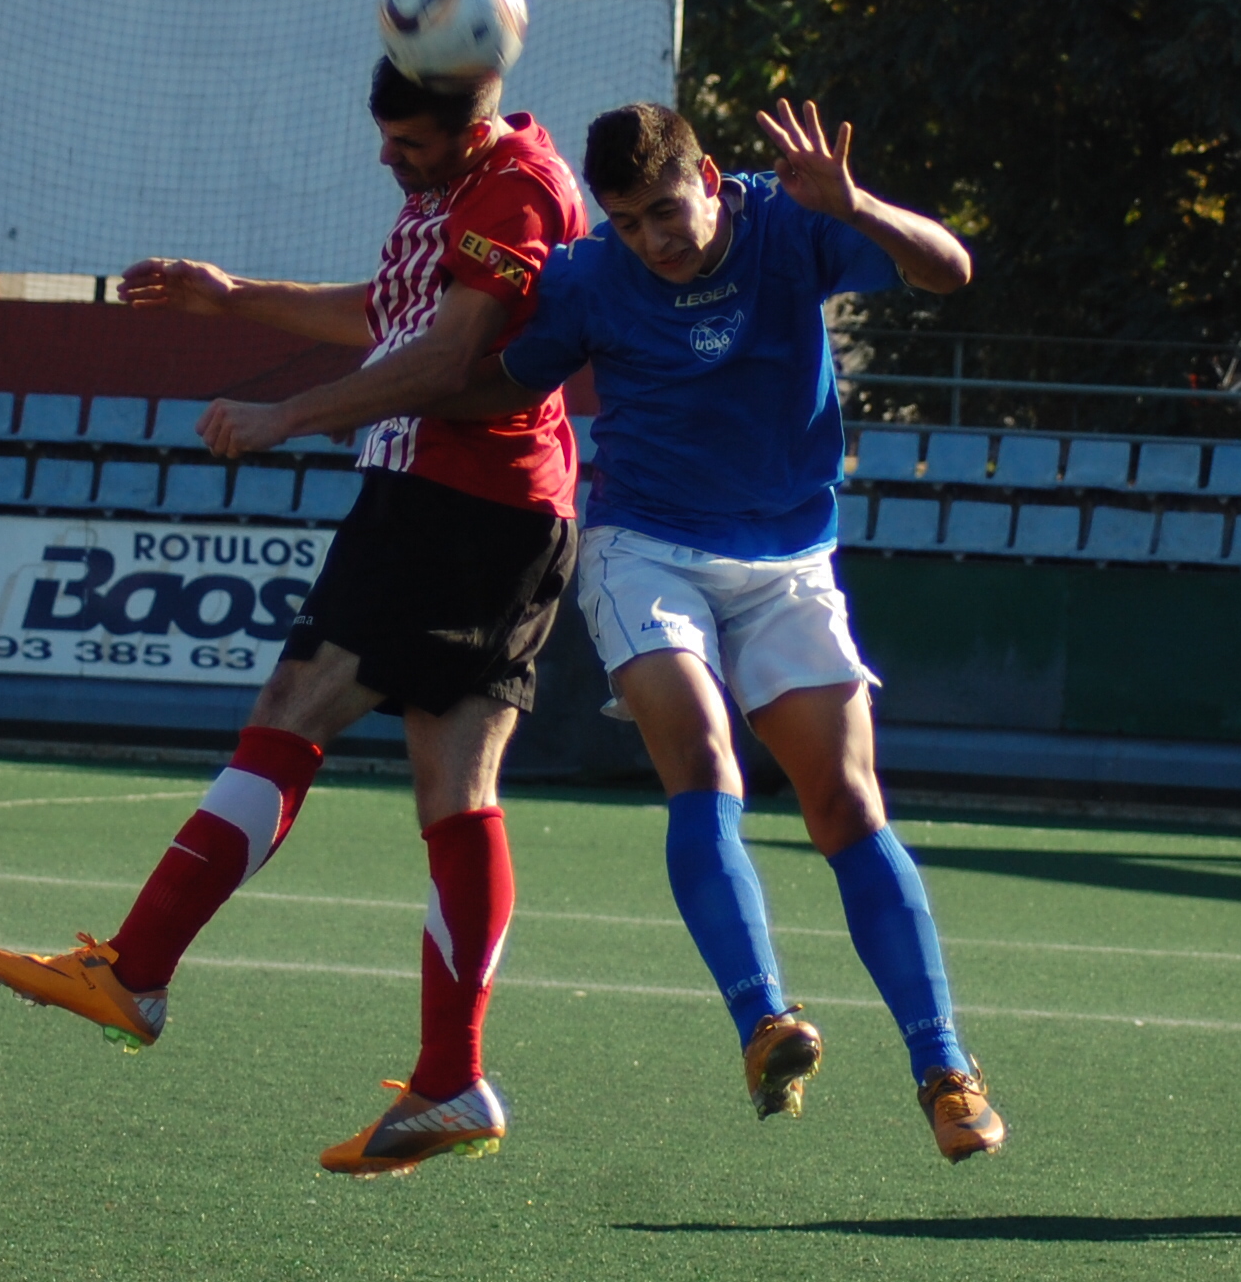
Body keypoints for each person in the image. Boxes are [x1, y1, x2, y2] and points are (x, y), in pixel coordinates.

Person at [0, 56, 589, 1178]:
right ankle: (450, 1081)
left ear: (471, 120)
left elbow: (449, 354)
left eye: (407, 141)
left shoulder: (518, 187)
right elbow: (393, 311)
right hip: (486, 507)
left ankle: (138, 968)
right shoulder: (455, 194)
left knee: (296, 705)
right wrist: (234, 294)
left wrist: (285, 418)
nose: (387, 157)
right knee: (456, 788)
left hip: (461, 502)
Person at [368, 98, 1006, 1162]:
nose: (652, 238)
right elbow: (479, 377)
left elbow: (951, 272)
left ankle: (944, 1068)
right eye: (625, 221)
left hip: (788, 558)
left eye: (665, 209)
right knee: (704, 761)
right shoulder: (586, 277)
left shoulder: (792, 221)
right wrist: (358, 388)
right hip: (645, 547)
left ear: (710, 177)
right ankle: (764, 1021)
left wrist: (856, 206)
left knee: (847, 805)